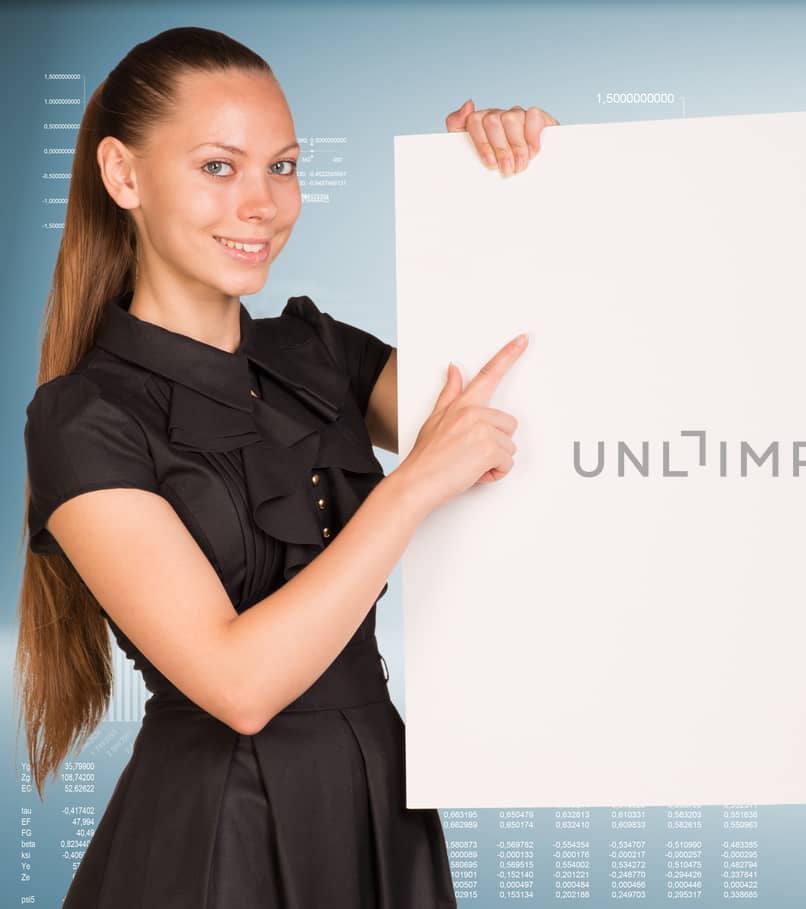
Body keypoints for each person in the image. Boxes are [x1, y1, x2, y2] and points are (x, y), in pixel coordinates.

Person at [13, 26, 557, 908]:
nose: (263, 202)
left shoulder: (317, 351)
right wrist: (413, 483)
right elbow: (239, 685)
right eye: (220, 167)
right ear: (123, 176)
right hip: (219, 832)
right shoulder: (85, 419)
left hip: (384, 804)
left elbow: (515, 406)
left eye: (285, 166)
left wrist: (507, 189)